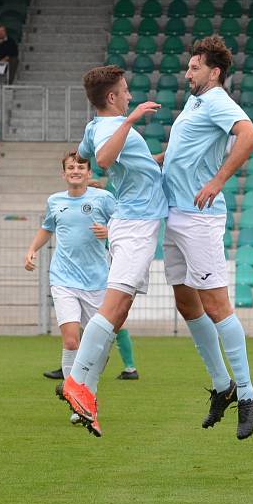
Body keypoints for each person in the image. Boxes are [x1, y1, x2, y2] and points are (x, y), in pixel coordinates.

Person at [59, 65, 168, 436]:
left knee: (117, 317)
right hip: (136, 224)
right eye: (124, 92)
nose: (130, 97)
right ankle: (77, 383)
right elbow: (102, 160)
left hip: (130, 221)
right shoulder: (112, 126)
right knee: (113, 310)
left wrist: (164, 158)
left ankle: (83, 390)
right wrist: (131, 120)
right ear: (111, 97)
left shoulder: (94, 127)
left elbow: (94, 154)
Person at [163, 36, 253, 440]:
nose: (188, 72)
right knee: (187, 303)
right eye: (189, 66)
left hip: (198, 217)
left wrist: (218, 181)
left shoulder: (218, 99)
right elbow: (180, 154)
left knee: (217, 305)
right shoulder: (196, 102)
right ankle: (223, 386)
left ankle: (249, 395)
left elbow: (249, 135)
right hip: (174, 213)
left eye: (194, 67)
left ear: (214, 72)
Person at [24, 152, 138, 428]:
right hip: (63, 279)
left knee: (98, 346)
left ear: (89, 173)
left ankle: (90, 396)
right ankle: (76, 401)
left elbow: (127, 224)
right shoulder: (55, 201)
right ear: (64, 174)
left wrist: (109, 232)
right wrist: (31, 250)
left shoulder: (104, 199)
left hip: (98, 281)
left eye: (81, 167)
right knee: (72, 340)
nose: (76, 171)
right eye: (71, 168)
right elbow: (46, 228)